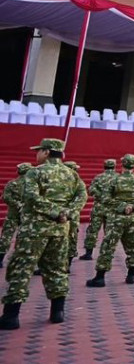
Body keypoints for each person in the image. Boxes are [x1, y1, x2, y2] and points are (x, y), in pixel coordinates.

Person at [0, 138, 86, 330]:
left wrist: (55, 212)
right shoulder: (71, 174)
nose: (37, 154)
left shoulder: (35, 172)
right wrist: (67, 213)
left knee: (21, 268)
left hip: (35, 230)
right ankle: (57, 312)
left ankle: (11, 316)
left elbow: (31, 197)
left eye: (39, 151)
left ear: (47, 152)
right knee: (57, 268)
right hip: (60, 229)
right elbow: (82, 196)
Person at [87, 153, 134, 287]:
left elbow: (105, 198)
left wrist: (121, 206)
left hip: (116, 217)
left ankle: (100, 277)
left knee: (108, 245)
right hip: (133, 218)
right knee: (133, 245)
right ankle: (132, 275)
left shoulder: (114, 180)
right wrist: (133, 207)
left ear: (122, 164)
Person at [80, 158, 117, 260]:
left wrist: (100, 196)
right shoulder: (118, 178)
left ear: (104, 166)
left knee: (93, 230)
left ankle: (88, 253)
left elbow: (91, 190)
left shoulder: (98, 177)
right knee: (109, 231)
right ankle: (107, 253)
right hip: (112, 208)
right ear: (114, 166)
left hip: (98, 208)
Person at [0, 162, 32, 268]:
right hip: (27, 215)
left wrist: (16, 204)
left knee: (6, 237)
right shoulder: (33, 185)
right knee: (23, 237)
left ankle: (0, 259)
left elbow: (5, 197)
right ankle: (19, 259)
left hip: (12, 214)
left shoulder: (12, 183)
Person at [64, 162, 87, 269]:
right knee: (71, 238)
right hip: (71, 215)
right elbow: (82, 199)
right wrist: (70, 212)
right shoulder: (78, 182)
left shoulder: (54, 179)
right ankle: (67, 264)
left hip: (55, 215)